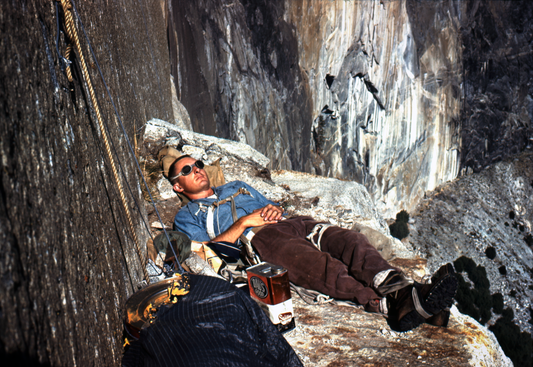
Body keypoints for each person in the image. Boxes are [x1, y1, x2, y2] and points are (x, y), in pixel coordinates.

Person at [169, 155, 457, 332]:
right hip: (259, 239)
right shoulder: (186, 216)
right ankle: (397, 304)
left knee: (351, 241)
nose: (196, 169)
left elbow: (272, 205)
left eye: (198, 164)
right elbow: (205, 251)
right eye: (186, 170)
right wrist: (244, 223)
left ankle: (405, 292)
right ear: (178, 187)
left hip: (292, 223)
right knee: (319, 265)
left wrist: (273, 210)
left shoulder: (236, 186)